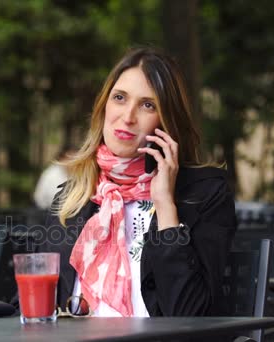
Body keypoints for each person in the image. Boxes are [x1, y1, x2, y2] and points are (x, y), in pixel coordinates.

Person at [35, 47, 236, 317]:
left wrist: (165, 205)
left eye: (147, 105)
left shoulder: (205, 194)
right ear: (103, 106)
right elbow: (33, 306)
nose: (127, 117)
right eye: (119, 98)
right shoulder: (75, 196)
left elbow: (189, 316)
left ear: (167, 121)